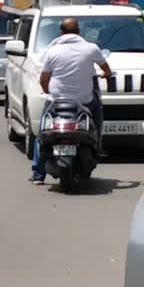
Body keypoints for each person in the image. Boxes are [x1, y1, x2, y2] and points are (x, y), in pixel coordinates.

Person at [30, 18, 112, 185]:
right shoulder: (91, 48)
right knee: (96, 120)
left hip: (56, 100)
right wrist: (106, 75)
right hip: (84, 101)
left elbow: (44, 79)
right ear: (79, 32)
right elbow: (106, 70)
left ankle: (38, 174)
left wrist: (48, 91)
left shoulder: (53, 51)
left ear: (61, 33)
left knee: (42, 135)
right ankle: (96, 144)